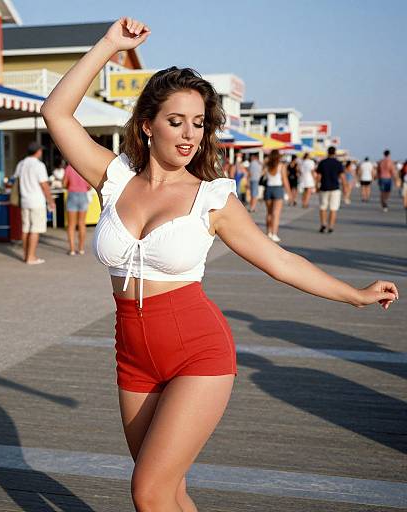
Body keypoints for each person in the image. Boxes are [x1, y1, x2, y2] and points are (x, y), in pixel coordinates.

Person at [41, 17, 399, 511]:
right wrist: (109, 46)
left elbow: (279, 260)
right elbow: (56, 113)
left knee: (147, 491)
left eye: (198, 122)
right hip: (132, 353)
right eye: (175, 121)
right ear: (147, 124)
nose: (189, 134)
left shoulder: (212, 198)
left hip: (198, 353)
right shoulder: (115, 176)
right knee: (169, 490)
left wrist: (354, 294)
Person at [14, 142, 55, 265]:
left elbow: (15, 179)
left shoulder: (21, 163)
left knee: (26, 229)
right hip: (36, 201)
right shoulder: (39, 165)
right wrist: (50, 201)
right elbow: (44, 185)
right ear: (38, 151)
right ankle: (31, 257)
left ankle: (26, 255)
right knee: (35, 229)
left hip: (24, 200)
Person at [316, 146, 347, 233]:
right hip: (335, 188)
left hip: (324, 187)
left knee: (323, 207)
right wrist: (345, 187)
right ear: (335, 153)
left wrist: (316, 186)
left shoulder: (322, 162)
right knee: (333, 208)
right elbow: (342, 177)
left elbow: (318, 176)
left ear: (327, 152)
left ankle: (323, 224)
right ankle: (331, 226)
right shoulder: (338, 163)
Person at [263, 149, 291, 242]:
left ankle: (268, 232)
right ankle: (274, 234)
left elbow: (262, 175)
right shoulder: (281, 166)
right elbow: (285, 179)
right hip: (278, 189)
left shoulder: (267, 165)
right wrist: (289, 193)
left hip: (268, 189)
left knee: (269, 213)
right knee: (276, 213)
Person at [63, 162, 91, 255]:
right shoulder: (83, 168)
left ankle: (72, 249)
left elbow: (64, 183)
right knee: (82, 223)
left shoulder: (68, 168)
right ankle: (81, 248)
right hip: (83, 195)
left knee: (71, 225)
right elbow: (89, 186)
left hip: (72, 194)